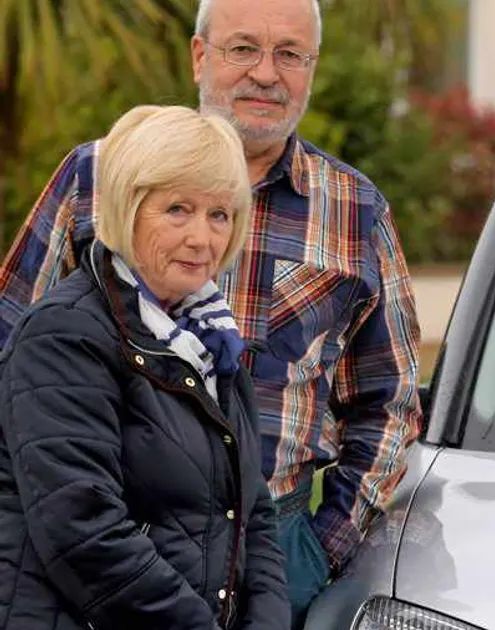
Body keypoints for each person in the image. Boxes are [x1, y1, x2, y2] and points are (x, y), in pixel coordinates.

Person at [0, 0, 423, 626]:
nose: (266, 73)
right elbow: (12, 342)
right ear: (201, 57)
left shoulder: (355, 211)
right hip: (100, 545)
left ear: (311, 68)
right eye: (244, 48)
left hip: (267, 553)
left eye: (289, 54)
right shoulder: (96, 174)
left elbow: (389, 400)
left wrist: (318, 548)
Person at [0, 105, 288, 630]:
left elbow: (255, 514)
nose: (203, 238)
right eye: (177, 209)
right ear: (126, 208)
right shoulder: (64, 335)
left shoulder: (211, 342)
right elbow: (82, 529)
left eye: (219, 214)